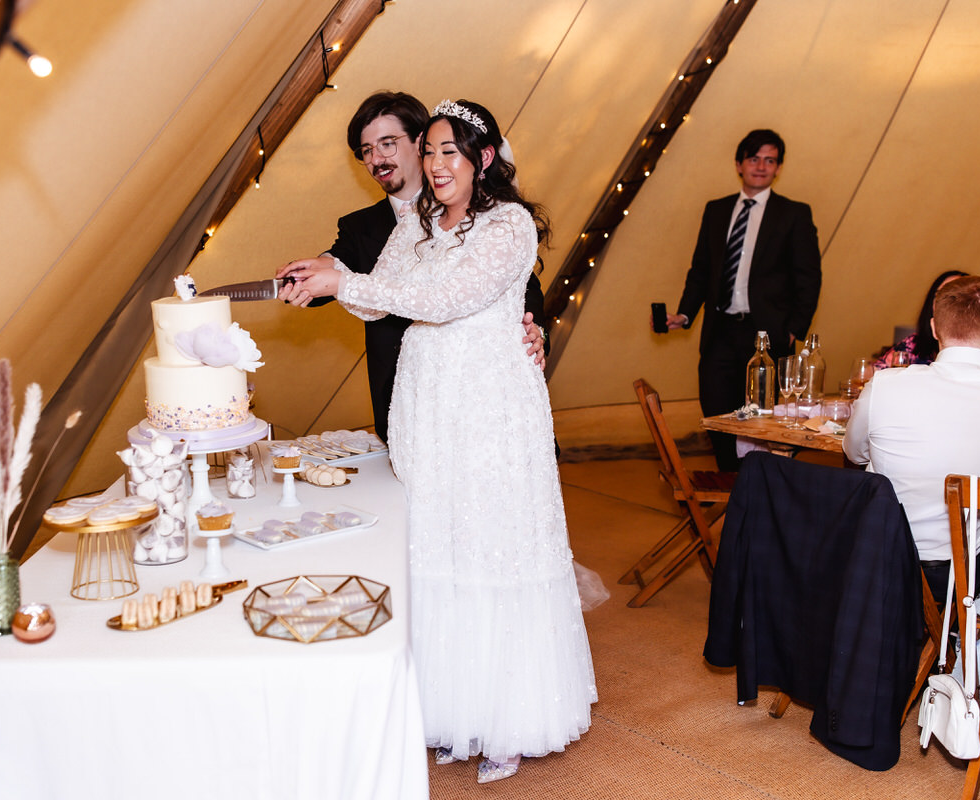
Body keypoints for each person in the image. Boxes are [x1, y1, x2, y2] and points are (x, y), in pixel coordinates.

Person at [278, 99, 595, 783]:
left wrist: (348, 280)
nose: (437, 164)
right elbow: (380, 296)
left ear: (482, 159)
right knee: (438, 549)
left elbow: (449, 299)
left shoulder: (508, 226)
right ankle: (454, 713)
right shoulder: (420, 222)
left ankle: (508, 721)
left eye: (450, 151)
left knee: (491, 544)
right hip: (427, 406)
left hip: (489, 410)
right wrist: (327, 278)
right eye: (431, 151)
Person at [278, 91, 547, 442]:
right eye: (367, 150)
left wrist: (536, 331)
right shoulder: (393, 225)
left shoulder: (503, 221)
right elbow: (352, 272)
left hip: (486, 402)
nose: (377, 158)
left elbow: (509, 290)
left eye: (387, 143)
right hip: (413, 406)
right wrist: (318, 272)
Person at [843, 276, 980, 597]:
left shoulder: (884, 384)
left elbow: (854, 455)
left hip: (879, 563)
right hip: (962, 578)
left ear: (935, 328)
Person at [660, 129, 822, 471]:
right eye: (754, 158)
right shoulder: (716, 210)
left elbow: (809, 278)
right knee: (717, 414)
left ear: (778, 168)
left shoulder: (794, 213)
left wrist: (793, 331)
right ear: (739, 164)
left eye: (770, 160)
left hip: (768, 336)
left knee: (765, 425)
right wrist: (685, 315)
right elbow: (701, 270)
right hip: (720, 332)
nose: (761, 166)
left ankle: (760, 489)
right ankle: (731, 482)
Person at [871, 269, 966, 368]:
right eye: (939, 296)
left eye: (953, 297)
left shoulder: (977, 350)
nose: (944, 303)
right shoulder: (914, 345)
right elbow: (874, 374)